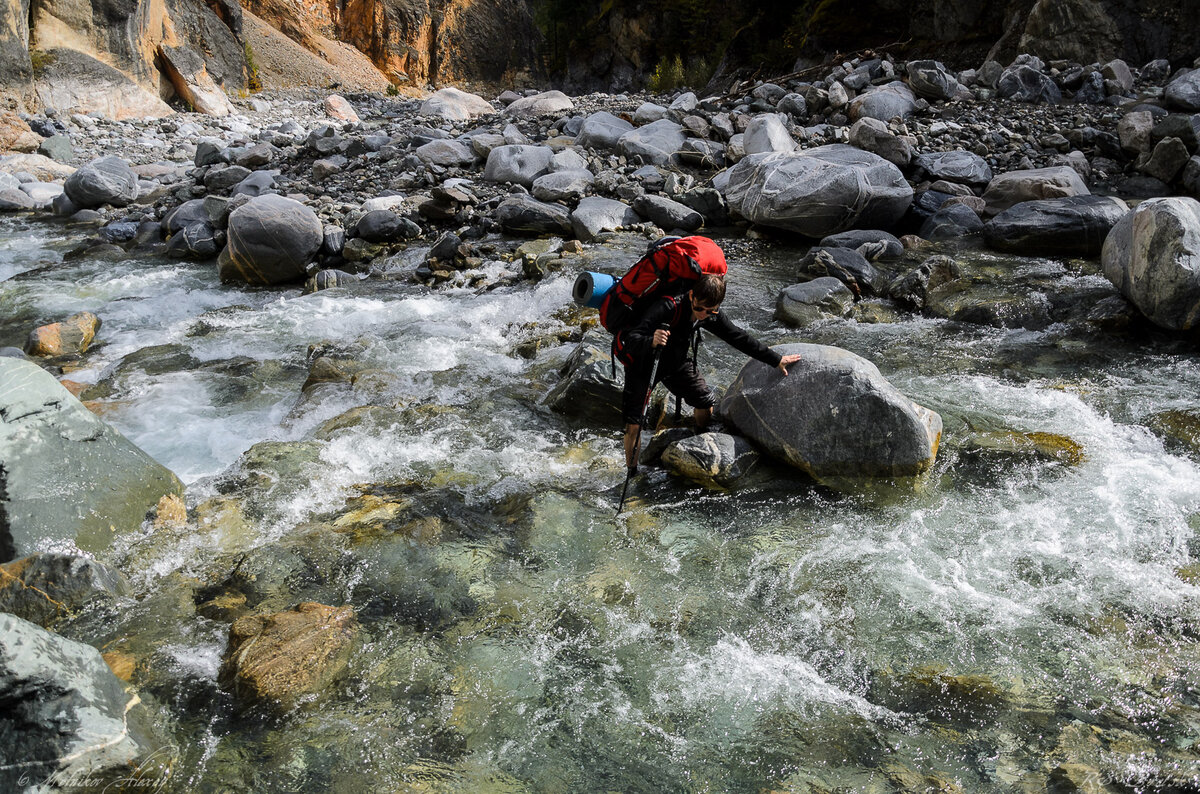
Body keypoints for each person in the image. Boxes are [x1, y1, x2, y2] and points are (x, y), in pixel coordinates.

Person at [619, 273, 802, 471]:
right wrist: (651, 340)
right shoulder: (667, 307)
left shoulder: (710, 315)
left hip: (676, 363)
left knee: (705, 400)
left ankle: (698, 437)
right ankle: (633, 471)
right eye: (699, 308)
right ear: (691, 296)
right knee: (634, 425)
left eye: (710, 311)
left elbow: (738, 337)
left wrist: (776, 360)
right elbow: (630, 340)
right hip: (644, 364)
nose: (703, 314)